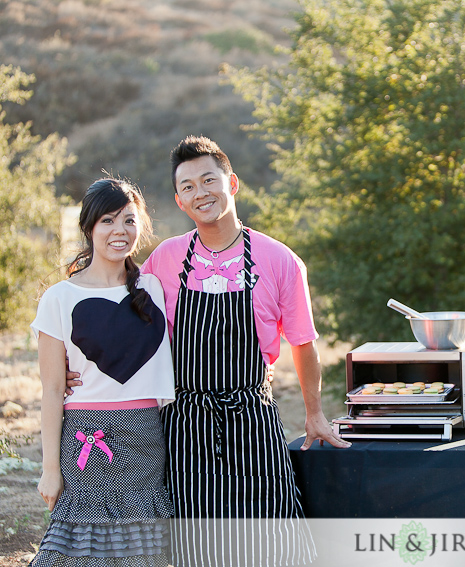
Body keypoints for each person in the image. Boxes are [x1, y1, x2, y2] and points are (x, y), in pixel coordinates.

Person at [70, 135, 350, 566]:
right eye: (187, 187)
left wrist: (314, 413)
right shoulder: (164, 260)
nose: (200, 193)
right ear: (180, 202)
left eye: (208, 179)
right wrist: (77, 368)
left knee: (272, 534)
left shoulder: (280, 260)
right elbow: (120, 321)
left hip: (252, 416)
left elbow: (304, 343)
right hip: (185, 421)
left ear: (232, 183)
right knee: (196, 541)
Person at [31, 179, 175, 567]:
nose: (120, 231)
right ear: (89, 228)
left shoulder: (155, 288)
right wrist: (49, 470)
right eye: (108, 221)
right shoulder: (59, 298)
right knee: (80, 551)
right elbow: (51, 391)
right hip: (85, 439)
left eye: (129, 221)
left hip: (147, 435)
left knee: (141, 549)